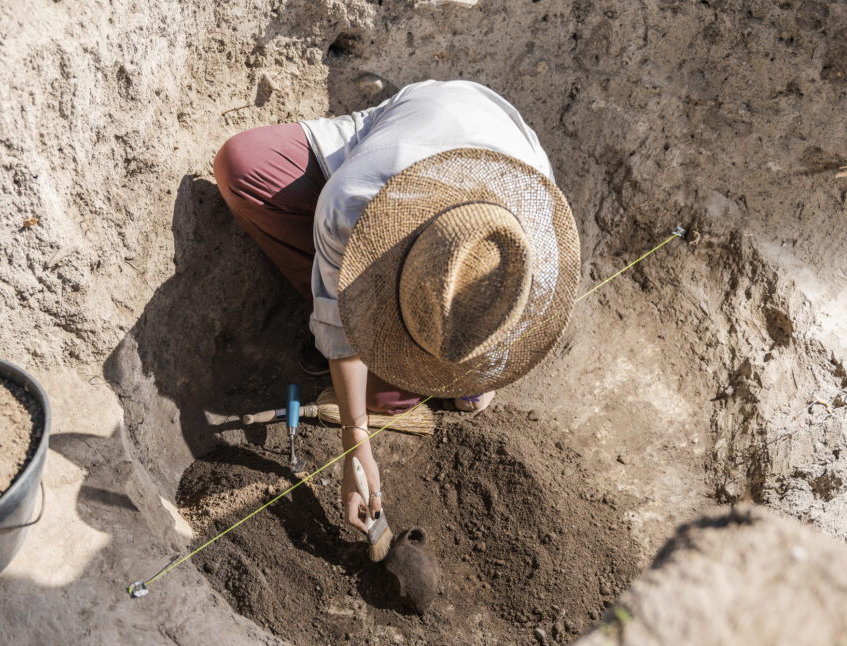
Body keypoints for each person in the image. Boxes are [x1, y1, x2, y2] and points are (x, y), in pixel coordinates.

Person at [213, 80, 579, 537]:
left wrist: (480, 379)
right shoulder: (352, 203)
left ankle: (425, 360)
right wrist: (355, 440)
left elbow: (504, 340)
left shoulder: (532, 257)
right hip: (407, 122)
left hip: (496, 136)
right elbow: (340, 338)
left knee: (419, 392)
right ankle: (370, 311)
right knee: (241, 162)